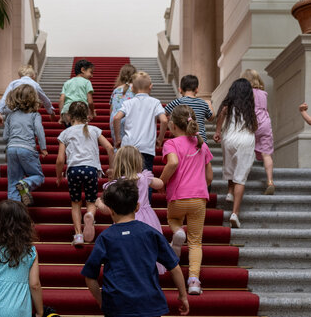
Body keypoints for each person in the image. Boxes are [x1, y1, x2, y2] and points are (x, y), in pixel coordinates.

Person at [81, 180, 190, 317]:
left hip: (117, 301)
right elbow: (174, 267)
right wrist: (182, 294)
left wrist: (101, 299)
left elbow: (90, 276)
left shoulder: (106, 237)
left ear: (110, 210)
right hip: (148, 300)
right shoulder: (149, 233)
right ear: (138, 206)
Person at [160, 105, 213, 295]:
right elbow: (209, 177)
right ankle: (193, 281)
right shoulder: (202, 144)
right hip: (199, 197)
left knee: (173, 220)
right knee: (196, 242)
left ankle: (176, 232)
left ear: (173, 125)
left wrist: (162, 181)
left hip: (178, 197)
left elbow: (173, 162)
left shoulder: (171, 144)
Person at [98, 145, 167, 274]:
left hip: (125, 219)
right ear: (138, 162)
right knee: (148, 249)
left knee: (128, 250)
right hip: (147, 220)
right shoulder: (143, 178)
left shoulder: (116, 184)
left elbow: (106, 209)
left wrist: (98, 203)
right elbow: (160, 184)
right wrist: (149, 180)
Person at [55, 101, 115, 246]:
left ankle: (78, 235)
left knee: (75, 203)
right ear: (87, 115)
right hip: (91, 169)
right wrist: (111, 168)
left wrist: (58, 176)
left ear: (69, 116)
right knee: (91, 200)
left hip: (74, 170)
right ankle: (90, 216)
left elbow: (60, 159)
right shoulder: (94, 130)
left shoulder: (66, 133)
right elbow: (110, 147)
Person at [214, 78, 257, 229]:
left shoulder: (228, 105)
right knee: (241, 177)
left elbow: (220, 117)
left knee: (230, 165)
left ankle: (230, 192)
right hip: (245, 139)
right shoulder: (249, 106)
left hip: (229, 138)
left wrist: (218, 131)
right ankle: (235, 214)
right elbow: (255, 126)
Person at [112, 72, 168, 172]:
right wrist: (160, 139)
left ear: (132, 88)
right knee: (145, 178)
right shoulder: (155, 102)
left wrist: (118, 139)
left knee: (127, 176)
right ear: (151, 86)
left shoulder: (128, 103)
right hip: (147, 147)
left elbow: (116, 118)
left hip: (129, 146)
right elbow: (164, 120)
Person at [3, 84, 48, 206]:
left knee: (12, 181)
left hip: (11, 149)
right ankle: (25, 184)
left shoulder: (11, 115)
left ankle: (14, 211)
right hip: (27, 148)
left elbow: (5, 136)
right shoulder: (34, 115)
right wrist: (43, 148)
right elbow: (39, 130)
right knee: (38, 176)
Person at [241, 69, 276, 195]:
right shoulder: (263, 93)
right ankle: (270, 181)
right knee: (267, 154)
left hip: (252, 123)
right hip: (265, 123)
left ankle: (241, 179)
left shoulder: (247, 94)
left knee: (245, 151)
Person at [163, 75, 213, 143]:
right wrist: (209, 103)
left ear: (180, 89)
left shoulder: (178, 102)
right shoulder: (203, 103)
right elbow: (211, 118)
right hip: (201, 140)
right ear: (197, 89)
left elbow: (163, 113)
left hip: (183, 140)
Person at [58, 59, 96, 126]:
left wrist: (61, 116)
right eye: (91, 72)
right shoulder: (87, 82)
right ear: (83, 70)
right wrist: (92, 113)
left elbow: (61, 99)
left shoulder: (67, 82)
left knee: (70, 131)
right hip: (81, 109)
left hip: (67, 110)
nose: (92, 76)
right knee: (80, 132)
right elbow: (90, 101)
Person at [109, 63, 137, 143]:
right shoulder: (136, 89)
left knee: (119, 147)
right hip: (131, 119)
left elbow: (111, 108)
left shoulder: (116, 90)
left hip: (116, 120)